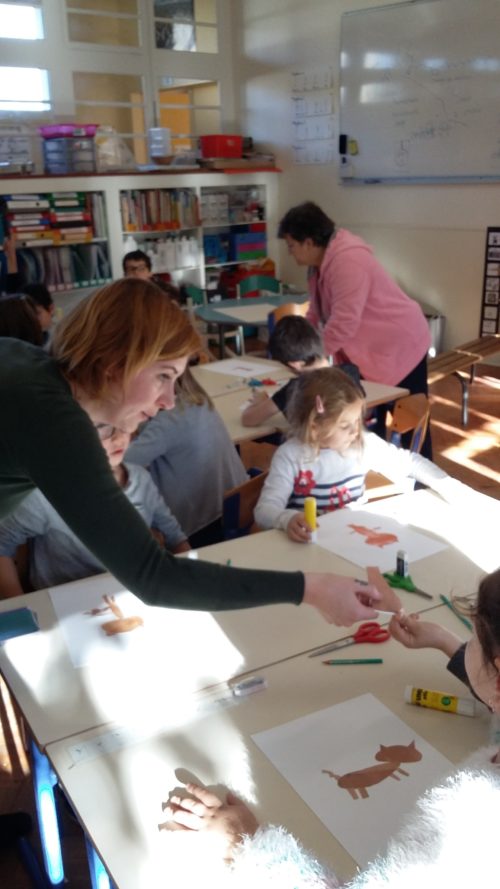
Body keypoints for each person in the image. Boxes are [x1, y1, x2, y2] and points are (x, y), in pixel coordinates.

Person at [0, 277, 381, 624]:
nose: (169, 400)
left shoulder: (30, 366)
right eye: (163, 376)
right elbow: (154, 576)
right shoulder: (54, 421)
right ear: (115, 362)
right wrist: (311, 589)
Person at [162, 569, 500, 889]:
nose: (468, 642)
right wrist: (446, 643)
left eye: (474, 639)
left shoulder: (473, 819)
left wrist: (242, 841)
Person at [278, 202, 432, 457]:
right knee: (371, 416)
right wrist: (301, 349)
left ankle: (421, 474)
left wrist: (313, 359)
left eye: (291, 245)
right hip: (376, 348)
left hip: (401, 344)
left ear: (309, 242)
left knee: (409, 419)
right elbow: (316, 313)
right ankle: (370, 468)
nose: (290, 253)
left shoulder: (347, 261)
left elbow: (344, 322)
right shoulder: (317, 267)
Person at [254, 367, 463, 543]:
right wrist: (286, 519)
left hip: (354, 541)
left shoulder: (361, 444)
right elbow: (264, 510)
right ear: (314, 426)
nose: (356, 431)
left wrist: (449, 486)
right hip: (311, 546)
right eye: (345, 426)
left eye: (357, 421)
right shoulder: (290, 456)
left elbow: (410, 462)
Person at [0, 425, 190, 597]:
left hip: (127, 593)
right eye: (104, 428)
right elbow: (3, 544)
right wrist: (18, 603)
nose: (119, 438)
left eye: (124, 425)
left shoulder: (141, 479)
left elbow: (175, 538)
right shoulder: (46, 495)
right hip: (63, 599)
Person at [126, 367, 248, 548]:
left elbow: (120, 465)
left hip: (201, 526)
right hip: (233, 506)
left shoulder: (168, 421)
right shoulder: (198, 401)